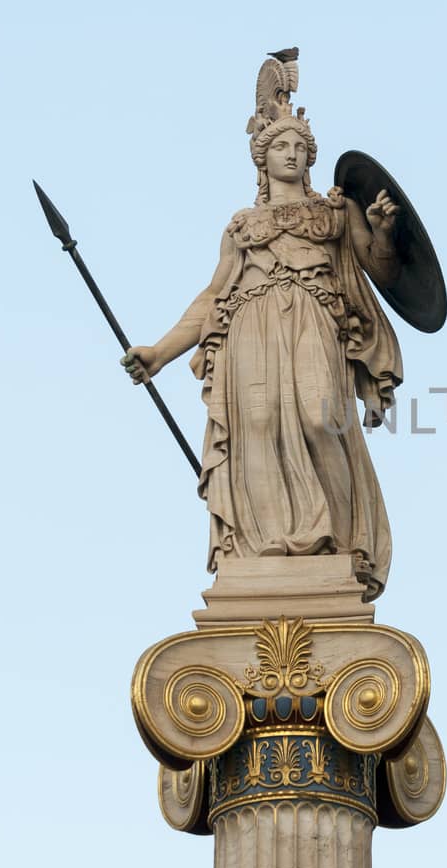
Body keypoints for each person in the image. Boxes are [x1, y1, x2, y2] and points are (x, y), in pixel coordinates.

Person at [121, 55, 403, 597]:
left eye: (300, 147)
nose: (291, 154)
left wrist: (381, 232)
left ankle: (341, 545)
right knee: (255, 422)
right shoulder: (242, 227)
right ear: (261, 157)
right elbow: (212, 296)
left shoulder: (333, 213)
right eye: (281, 146)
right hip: (251, 325)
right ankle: (266, 543)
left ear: (310, 156)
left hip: (313, 319)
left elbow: (380, 270)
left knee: (322, 421)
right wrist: (160, 352)